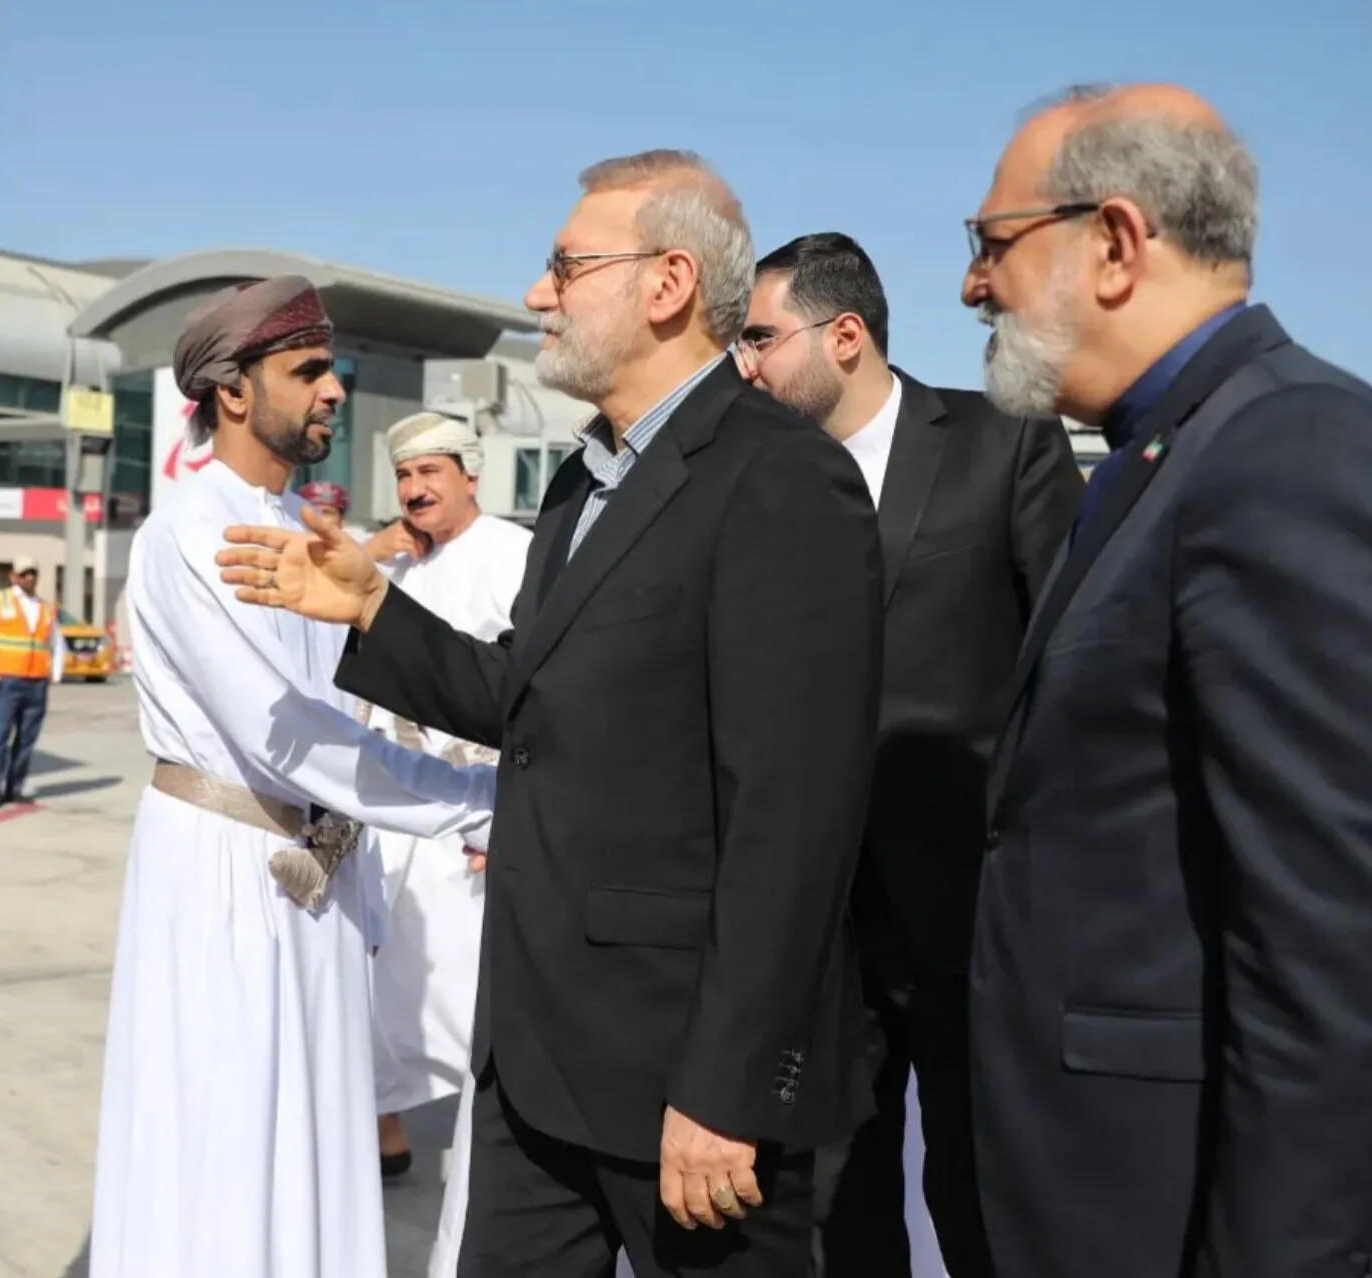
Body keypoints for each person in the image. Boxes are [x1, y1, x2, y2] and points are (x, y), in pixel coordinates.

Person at [219, 150, 883, 1278]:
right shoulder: (583, 485)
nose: (539, 293)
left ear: (667, 283)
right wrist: (375, 609)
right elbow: (524, 695)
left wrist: (726, 1088)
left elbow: (795, 818)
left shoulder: (779, 479)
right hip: (535, 1060)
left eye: (567, 266)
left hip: (684, 1085)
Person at [962, 82, 1372, 1278]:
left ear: (1114, 242)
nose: (973, 287)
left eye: (992, 244)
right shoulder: (1160, 457)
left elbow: (1334, 951)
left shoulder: (1288, 452)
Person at [87, 275, 499, 1278]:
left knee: (314, 1138)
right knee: (226, 1144)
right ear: (232, 389)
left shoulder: (308, 529)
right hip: (229, 874)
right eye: (307, 370)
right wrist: (483, 795)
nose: (333, 391)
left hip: (312, 876)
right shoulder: (189, 533)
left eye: (332, 369)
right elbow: (289, 739)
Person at [737, 232, 1082, 1278]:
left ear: (844, 336)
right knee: (833, 1199)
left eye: (758, 336)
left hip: (970, 904)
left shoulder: (1001, 441)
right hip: (814, 916)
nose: (741, 363)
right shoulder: (749, 480)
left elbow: (1065, 660)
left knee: (980, 1189)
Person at [350, 412, 531, 1183]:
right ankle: (382, 1129)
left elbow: (539, 696)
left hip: (478, 820)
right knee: (381, 986)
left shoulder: (516, 556)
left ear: (470, 475)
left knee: (472, 1005)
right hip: (394, 819)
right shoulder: (395, 566)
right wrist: (368, 556)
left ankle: (494, 1165)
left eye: (432, 472)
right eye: (404, 475)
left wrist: (516, 815)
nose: (416, 489)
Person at [0, 553, 65, 806]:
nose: (29, 578)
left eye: (33, 573)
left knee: (27, 739)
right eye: (24, 573)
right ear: (13, 576)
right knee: (0, 737)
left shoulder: (45, 607)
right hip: (7, 681)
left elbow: (57, 642)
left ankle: (15, 787)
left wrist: (56, 673)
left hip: (37, 683)